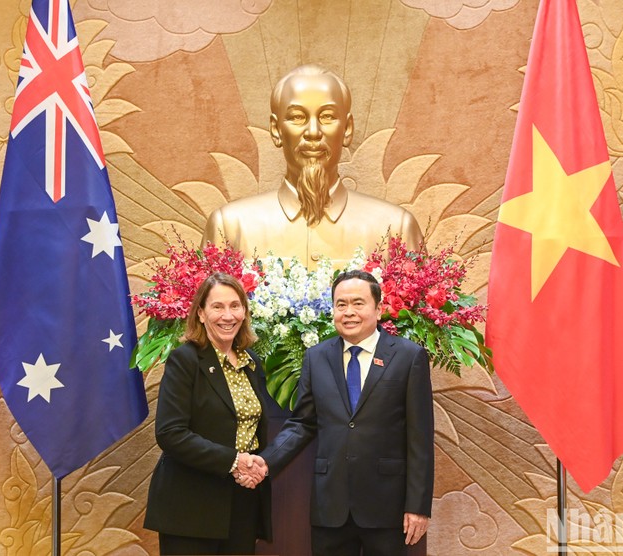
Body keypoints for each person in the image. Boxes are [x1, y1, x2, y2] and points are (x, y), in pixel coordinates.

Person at [241, 270, 434, 556]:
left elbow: (420, 437)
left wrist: (418, 506)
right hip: (330, 505)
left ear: (378, 309)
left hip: (387, 506)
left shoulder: (408, 356)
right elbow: (302, 423)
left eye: (358, 303)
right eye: (341, 304)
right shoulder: (316, 357)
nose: (349, 312)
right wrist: (266, 462)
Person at [202, 64, 424, 268]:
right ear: (276, 129)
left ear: (347, 129)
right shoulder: (230, 227)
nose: (313, 132)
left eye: (327, 117)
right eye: (297, 117)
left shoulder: (397, 228)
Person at [143, 272, 271, 555]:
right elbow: (170, 433)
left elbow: (251, 431)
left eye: (235, 306)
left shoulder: (252, 363)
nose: (228, 315)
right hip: (192, 505)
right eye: (217, 307)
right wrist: (234, 461)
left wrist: (253, 466)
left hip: (242, 503)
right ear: (200, 313)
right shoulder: (185, 359)